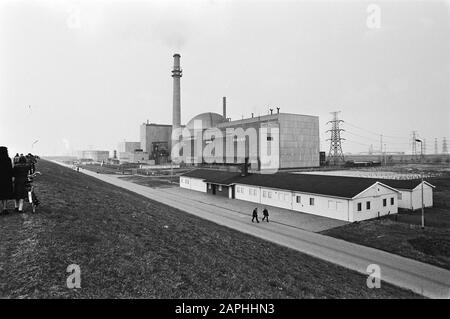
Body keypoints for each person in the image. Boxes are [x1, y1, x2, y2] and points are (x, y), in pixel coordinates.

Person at [0, 147, 13, 214]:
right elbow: (10, 170)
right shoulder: (8, 159)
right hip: (6, 179)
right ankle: (5, 208)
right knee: (5, 194)